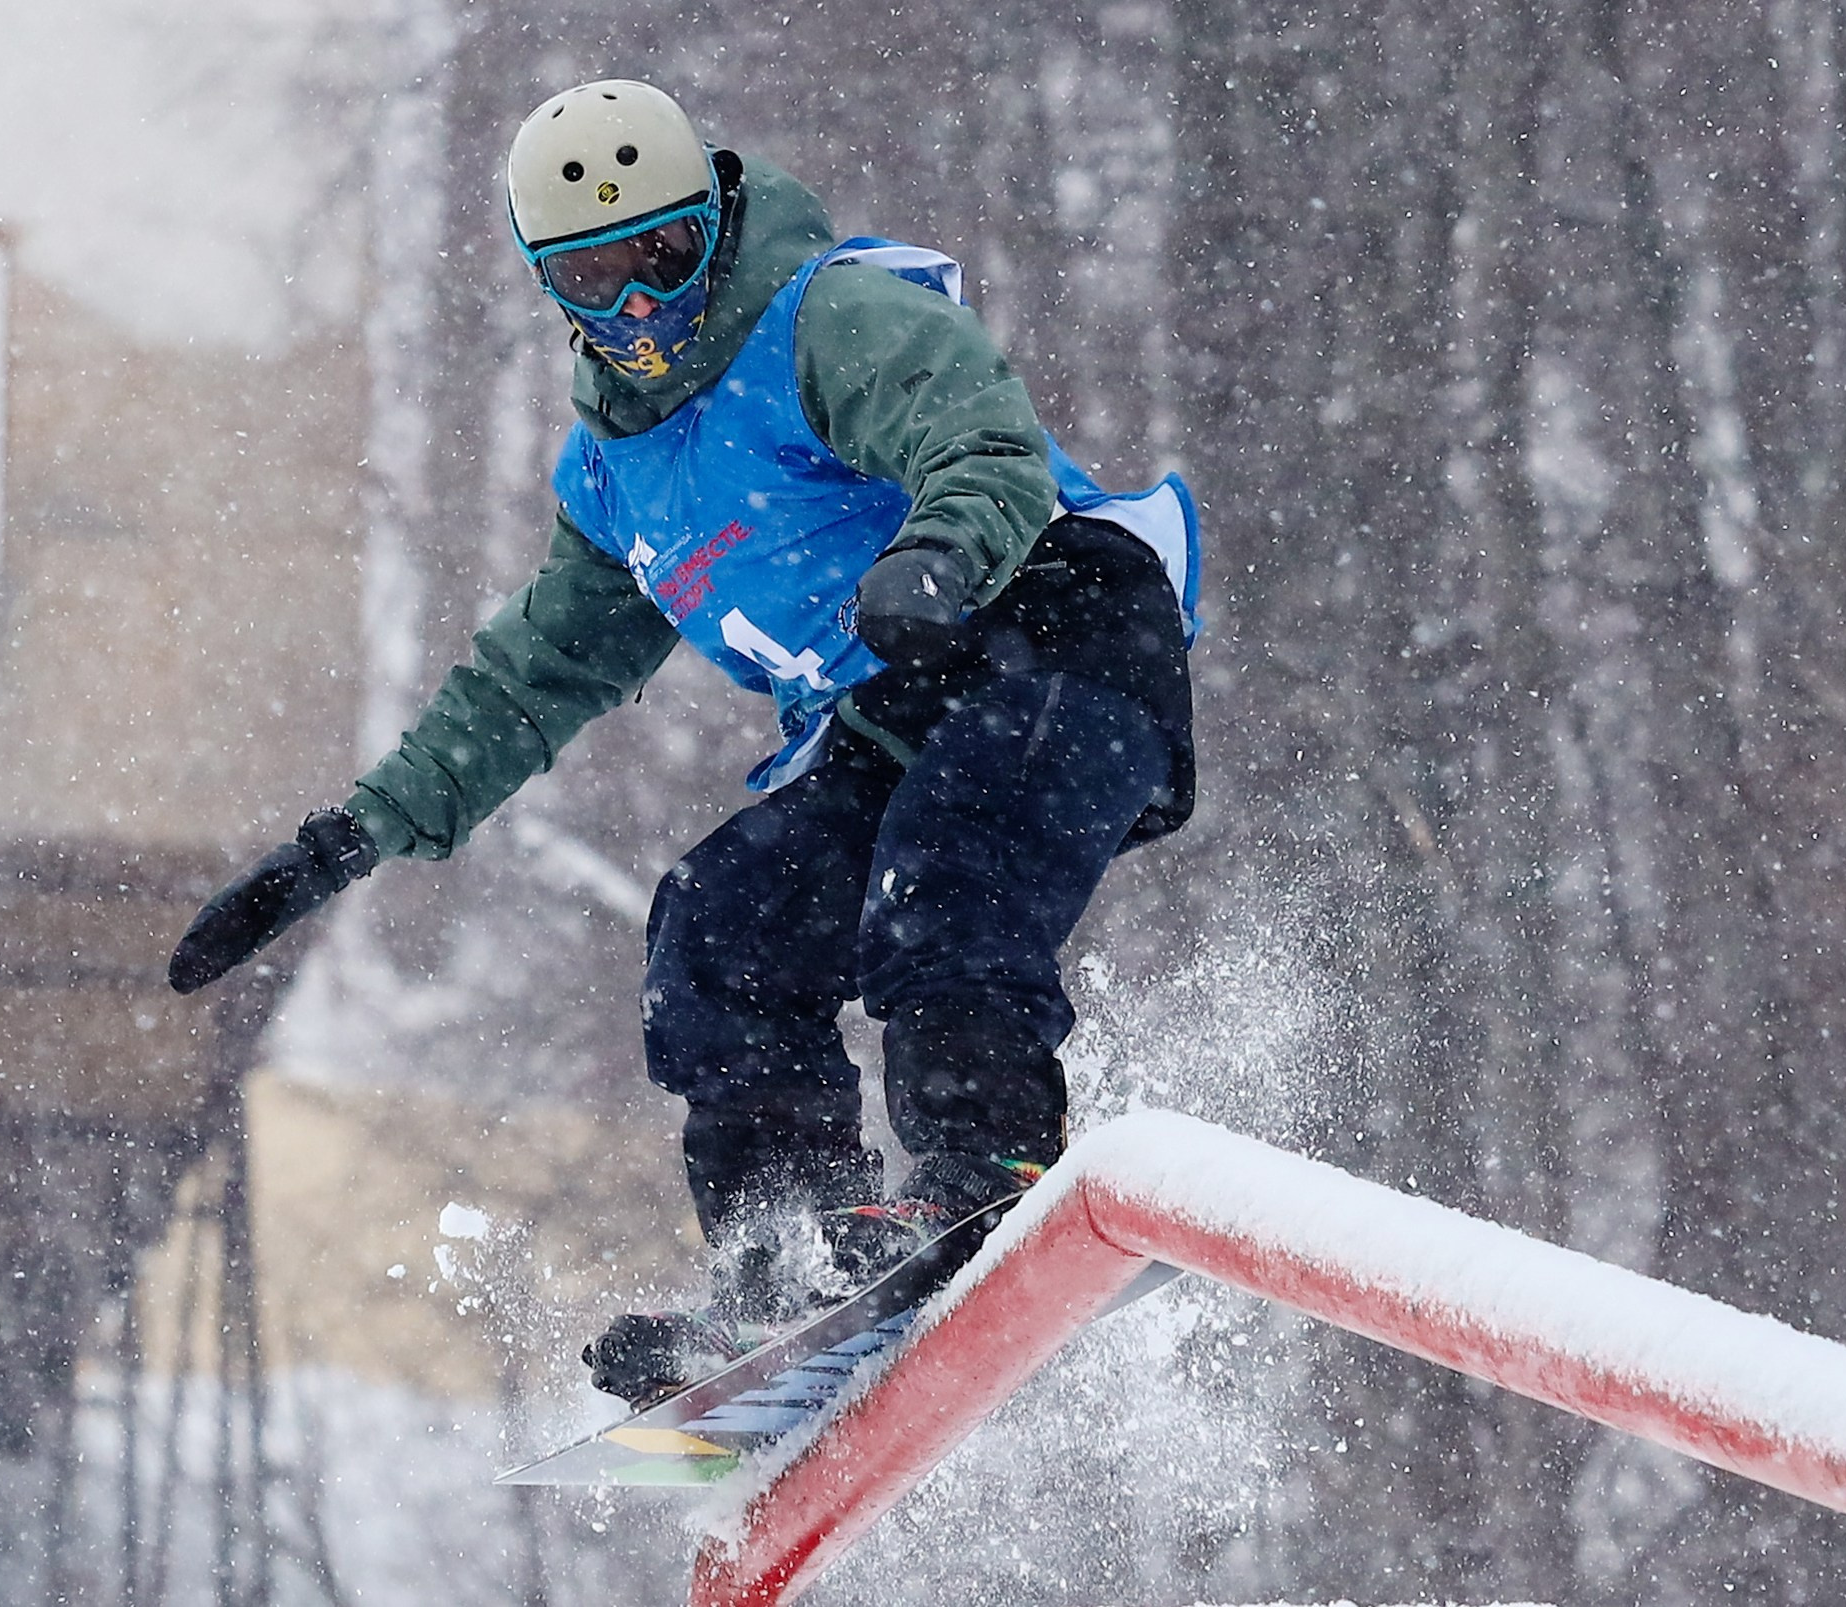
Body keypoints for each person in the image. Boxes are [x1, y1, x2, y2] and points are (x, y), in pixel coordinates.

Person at [168, 79, 1199, 1400]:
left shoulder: (827, 318)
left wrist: (938, 552)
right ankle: (790, 1249)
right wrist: (346, 840)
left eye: (662, 254)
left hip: (1059, 635)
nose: (639, 306)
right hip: (894, 716)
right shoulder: (616, 479)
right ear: (551, 287)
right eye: (593, 278)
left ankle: (985, 1167)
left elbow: (980, 437)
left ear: (712, 223)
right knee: (723, 922)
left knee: (945, 870)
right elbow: (528, 681)